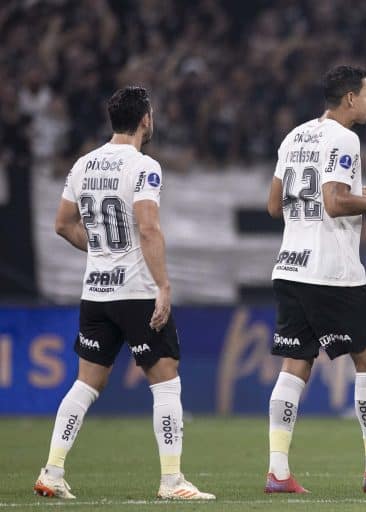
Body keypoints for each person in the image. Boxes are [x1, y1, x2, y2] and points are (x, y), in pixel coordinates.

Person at [33, 86, 215, 500]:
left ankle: (52, 470)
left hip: (95, 291)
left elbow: (63, 224)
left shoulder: (82, 165)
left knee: (86, 383)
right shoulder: (145, 166)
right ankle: (172, 481)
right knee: (166, 379)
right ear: (145, 119)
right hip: (136, 291)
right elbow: (148, 227)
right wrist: (163, 285)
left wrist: (100, 249)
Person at [264, 65, 366, 493]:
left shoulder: (295, 136)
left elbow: (273, 206)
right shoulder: (344, 138)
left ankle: (277, 470)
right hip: (331, 272)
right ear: (350, 98)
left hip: (289, 265)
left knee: (295, 365)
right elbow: (335, 202)